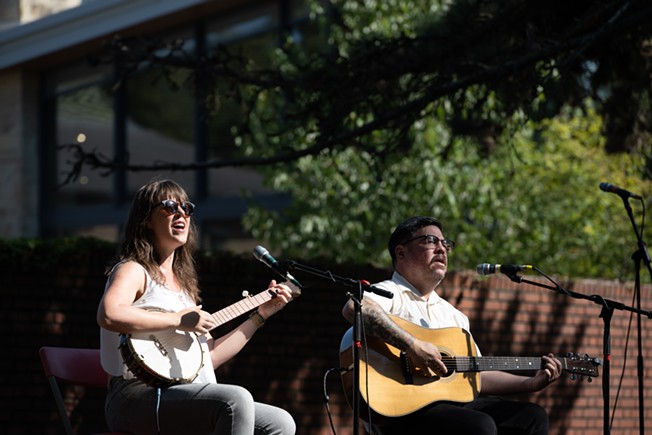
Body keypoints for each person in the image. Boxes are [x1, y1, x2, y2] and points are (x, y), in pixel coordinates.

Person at [97, 178, 297, 435]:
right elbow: (109, 314)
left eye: (186, 208)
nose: (181, 213)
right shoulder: (133, 269)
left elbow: (208, 357)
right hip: (133, 396)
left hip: (177, 394)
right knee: (235, 400)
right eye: (170, 206)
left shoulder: (183, 290)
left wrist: (259, 317)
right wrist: (178, 321)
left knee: (280, 422)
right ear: (146, 219)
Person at [341, 216, 562, 435]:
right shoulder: (388, 293)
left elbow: (477, 374)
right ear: (401, 252)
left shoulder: (454, 316)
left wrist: (531, 383)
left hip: (450, 407)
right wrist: (412, 346)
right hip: (398, 410)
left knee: (532, 417)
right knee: (479, 426)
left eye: (445, 243)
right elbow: (355, 308)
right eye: (430, 240)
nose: (441, 249)